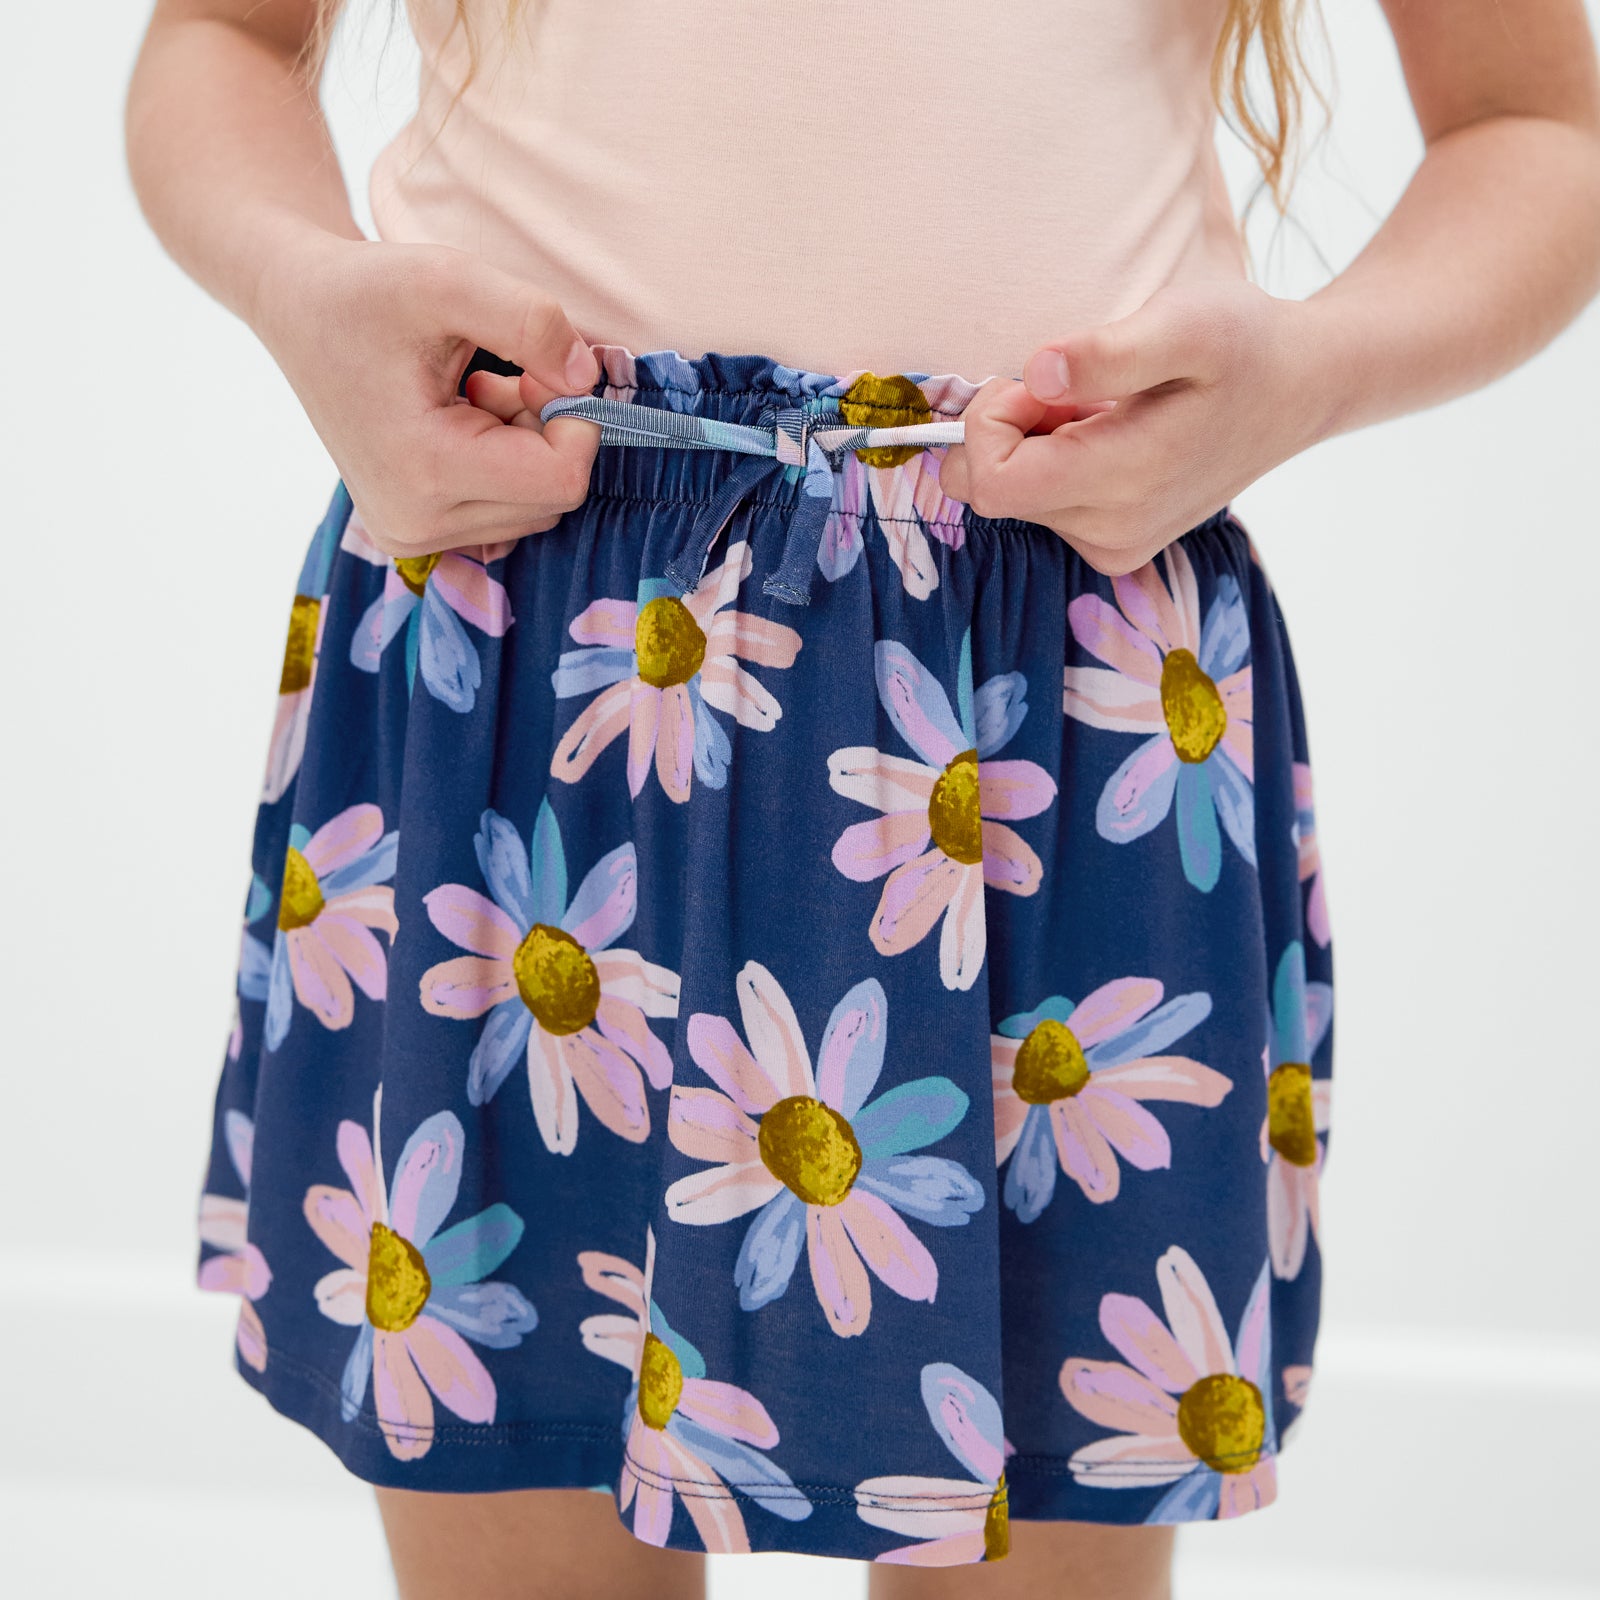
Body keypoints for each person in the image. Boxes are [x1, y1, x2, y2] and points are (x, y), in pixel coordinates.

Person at [127, 4, 1600, 1598]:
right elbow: (221, 32)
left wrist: (1311, 371)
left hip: (1060, 698)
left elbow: (1537, 124)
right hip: (522, 642)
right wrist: (304, 286)